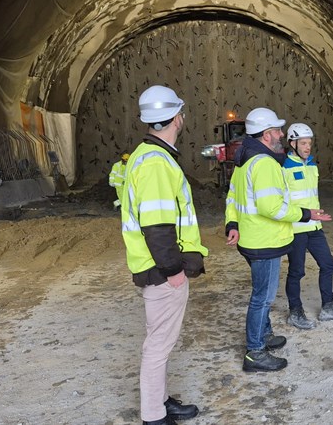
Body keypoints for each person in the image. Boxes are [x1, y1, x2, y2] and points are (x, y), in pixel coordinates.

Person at [121, 85, 207, 425]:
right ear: (175, 118)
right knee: (158, 346)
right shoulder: (156, 163)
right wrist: (174, 270)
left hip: (154, 269)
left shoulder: (147, 156)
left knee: (160, 342)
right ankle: (154, 416)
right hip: (162, 272)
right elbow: (157, 227)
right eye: (181, 113)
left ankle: (160, 400)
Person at [225, 107, 332, 372]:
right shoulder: (265, 163)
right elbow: (271, 207)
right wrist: (306, 214)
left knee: (261, 293)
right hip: (264, 241)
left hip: (251, 237)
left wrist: (233, 222)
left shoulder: (244, 159)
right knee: (262, 297)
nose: (281, 134)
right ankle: (255, 352)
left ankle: (264, 335)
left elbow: (232, 197)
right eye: (277, 131)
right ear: (265, 135)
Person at [281, 122, 333, 329]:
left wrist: (317, 214)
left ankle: (328, 307)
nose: (307, 147)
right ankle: (295, 311)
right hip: (295, 228)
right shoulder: (283, 167)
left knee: (328, 264)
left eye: (309, 143)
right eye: (303, 143)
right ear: (292, 143)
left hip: (314, 227)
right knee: (296, 271)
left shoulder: (311, 165)